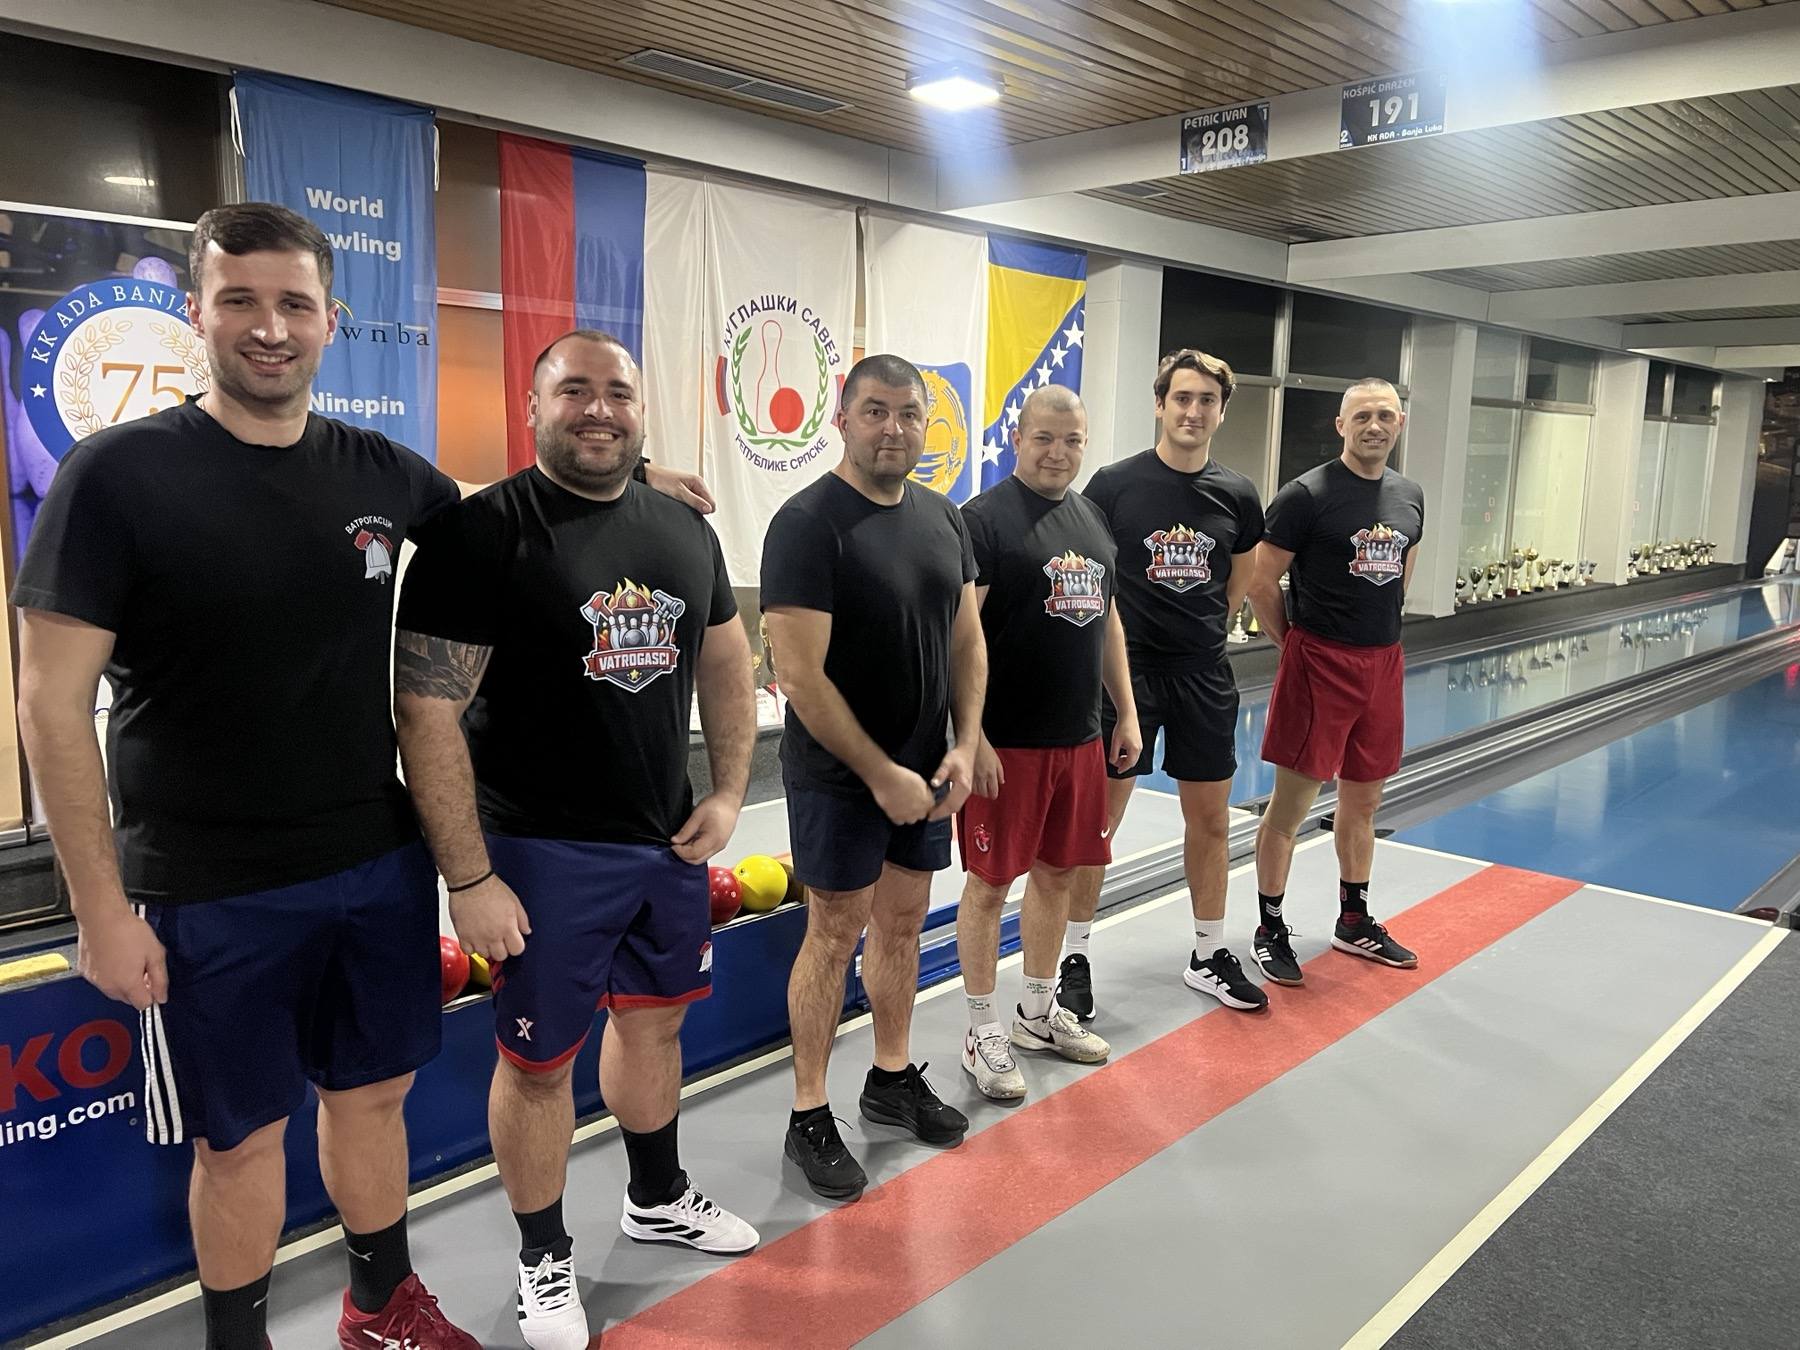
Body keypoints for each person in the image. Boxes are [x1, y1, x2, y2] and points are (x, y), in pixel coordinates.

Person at [11, 203, 480, 1350]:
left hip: (373, 860)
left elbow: (499, 522)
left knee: (374, 1098)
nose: (269, 328)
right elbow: (50, 706)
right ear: (197, 312)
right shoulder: (117, 476)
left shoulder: (380, 471)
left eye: (293, 304)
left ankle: (381, 1308)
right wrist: (100, 910)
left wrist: (632, 476)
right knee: (240, 1140)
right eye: (240, 301)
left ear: (332, 320)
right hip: (205, 885)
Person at [393, 330, 758, 1350]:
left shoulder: (682, 528)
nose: (598, 409)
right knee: (539, 1065)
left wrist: (730, 791)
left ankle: (657, 1196)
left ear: (642, 411)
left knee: (654, 1027)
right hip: (538, 853)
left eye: (618, 393)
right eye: (574, 391)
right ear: (533, 406)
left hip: (664, 842)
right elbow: (425, 711)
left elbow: (727, 659)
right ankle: (543, 1256)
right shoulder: (479, 535)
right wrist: (469, 876)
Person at [761, 353, 985, 1201]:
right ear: (842, 420)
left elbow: (967, 641)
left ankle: (890, 1078)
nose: (894, 428)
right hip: (839, 776)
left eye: (909, 414)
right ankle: (808, 1113)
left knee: (902, 924)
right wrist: (879, 771)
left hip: (924, 771)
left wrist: (965, 743)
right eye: (876, 411)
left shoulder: (944, 517)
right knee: (833, 932)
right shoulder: (806, 523)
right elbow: (799, 675)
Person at [1064, 350, 1270, 1018]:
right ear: (1160, 404)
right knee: (1099, 823)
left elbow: (1237, 584)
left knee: (1209, 820)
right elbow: (1092, 578)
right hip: (1126, 676)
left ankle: (1208, 953)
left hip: (1203, 676)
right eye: (1182, 398)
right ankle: (1073, 959)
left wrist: (1199, 633)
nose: (1193, 411)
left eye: (1207, 400)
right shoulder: (1114, 485)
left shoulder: (1238, 494)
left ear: (1221, 411)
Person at [954, 385, 1137, 1101]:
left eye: (1072, 440)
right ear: (1017, 439)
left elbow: (1108, 620)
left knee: (1059, 874)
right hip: (1009, 743)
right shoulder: (984, 521)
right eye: (1044, 438)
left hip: (1078, 737)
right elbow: (960, 637)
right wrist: (973, 735)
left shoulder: (1091, 518)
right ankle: (980, 1028)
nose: (1058, 453)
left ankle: (1035, 1012)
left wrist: (1124, 713)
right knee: (989, 885)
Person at [1246, 377, 1426, 986]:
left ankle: (1353, 920)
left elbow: (1401, 570)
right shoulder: (1305, 495)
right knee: (1290, 807)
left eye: (1386, 416)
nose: (1375, 426)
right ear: (1341, 425)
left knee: (1364, 802)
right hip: (1320, 661)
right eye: (1363, 416)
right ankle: (1270, 927)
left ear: (1399, 424)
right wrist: (1292, 644)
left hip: (1383, 662)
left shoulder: (1409, 495)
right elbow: (1261, 581)